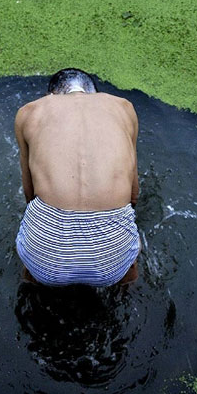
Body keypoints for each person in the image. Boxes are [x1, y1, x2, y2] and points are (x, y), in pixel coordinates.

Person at [14, 69, 141, 287]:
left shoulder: (30, 112)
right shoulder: (123, 108)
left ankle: (32, 283)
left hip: (45, 260)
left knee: (32, 260)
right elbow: (134, 195)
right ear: (95, 93)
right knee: (130, 261)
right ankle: (127, 282)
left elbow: (29, 194)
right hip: (112, 264)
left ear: (50, 95)